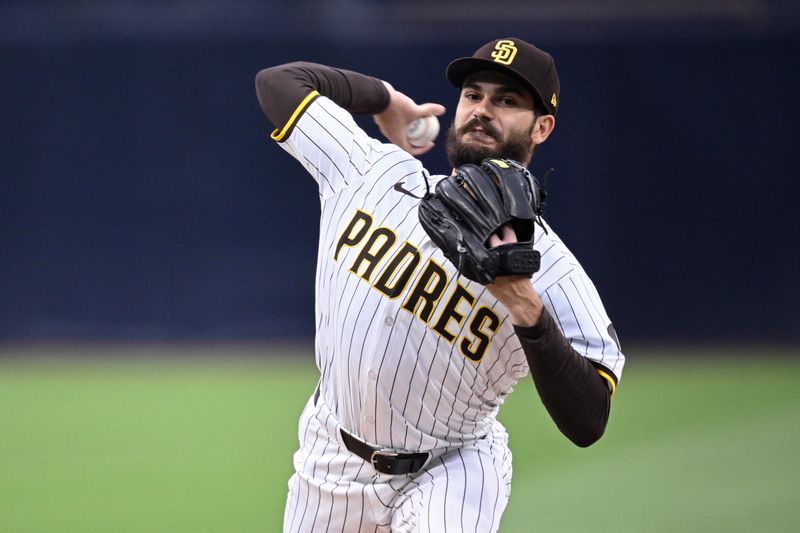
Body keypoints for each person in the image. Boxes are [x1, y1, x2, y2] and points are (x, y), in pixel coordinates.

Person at [255, 37, 625, 533]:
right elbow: (279, 82)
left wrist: (525, 306)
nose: (482, 110)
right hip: (330, 459)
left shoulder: (552, 269)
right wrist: (385, 100)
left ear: (542, 128)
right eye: (473, 95)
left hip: (452, 468)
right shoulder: (372, 172)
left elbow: (589, 419)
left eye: (507, 100)